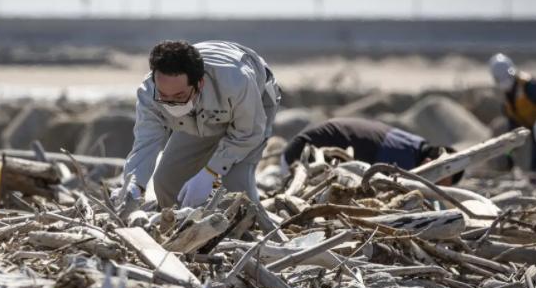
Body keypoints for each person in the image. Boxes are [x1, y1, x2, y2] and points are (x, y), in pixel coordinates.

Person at [118, 40, 281, 208]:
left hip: (255, 104)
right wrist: (134, 184)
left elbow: (248, 133)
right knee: (166, 181)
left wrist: (210, 172)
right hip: (198, 117)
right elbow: (146, 141)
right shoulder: (148, 92)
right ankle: (181, 222)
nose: (171, 104)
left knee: (236, 187)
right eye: (164, 96)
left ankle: (252, 221)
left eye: (179, 96)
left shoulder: (238, 81)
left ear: (199, 83)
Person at [280, 117, 457, 178]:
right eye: (439, 179)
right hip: (298, 160)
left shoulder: (413, 143)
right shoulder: (401, 156)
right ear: (428, 162)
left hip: (299, 149)